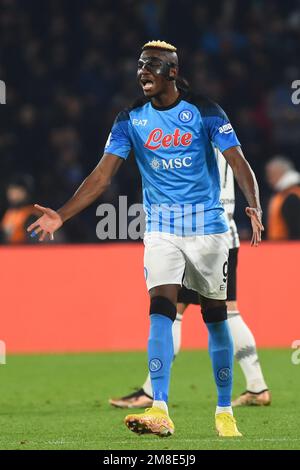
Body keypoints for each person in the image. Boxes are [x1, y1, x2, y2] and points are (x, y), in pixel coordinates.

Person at [27, 40, 264, 438]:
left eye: (152, 65)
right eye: (140, 65)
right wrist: (61, 215)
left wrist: (253, 205)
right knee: (160, 308)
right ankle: (160, 408)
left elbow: (238, 161)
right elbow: (101, 177)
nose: (143, 72)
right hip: (161, 230)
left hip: (208, 230)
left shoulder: (205, 111)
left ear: (172, 72)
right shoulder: (129, 118)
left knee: (215, 317)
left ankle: (224, 410)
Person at [109, 150, 271, 409]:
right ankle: (256, 385)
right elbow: (242, 169)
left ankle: (152, 391)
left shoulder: (198, 130)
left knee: (182, 311)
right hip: (220, 233)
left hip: (200, 234)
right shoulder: (222, 134)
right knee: (219, 310)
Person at [265, 156, 300, 240]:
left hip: (286, 248)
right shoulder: (284, 195)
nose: (268, 180)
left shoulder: (291, 196)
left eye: (270, 175)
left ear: (278, 172)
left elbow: (296, 230)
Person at [1, 174, 39, 244]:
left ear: (26, 193)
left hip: (24, 251)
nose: (12, 193)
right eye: (11, 189)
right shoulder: (9, 212)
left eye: (17, 190)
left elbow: (34, 238)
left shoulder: (32, 213)